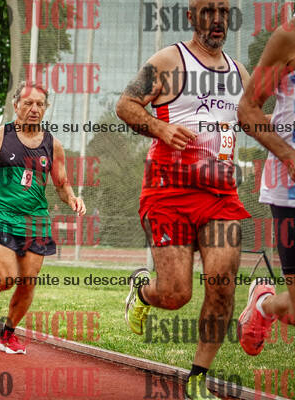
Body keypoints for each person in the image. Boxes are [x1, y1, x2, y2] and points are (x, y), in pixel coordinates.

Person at [115, 1, 251, 398]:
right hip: (168, 191)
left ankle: (197, 377)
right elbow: (125, 105)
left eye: (223, 12)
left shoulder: (240, 73)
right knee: (176, 294)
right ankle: (143, 291)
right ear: (191, 17)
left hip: (220, 195)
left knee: (223, 286)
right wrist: (160, 128)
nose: (217, 20)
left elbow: (256, 120)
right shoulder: (169, 61)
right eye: (208, 11)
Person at [0, 81, 86, 355]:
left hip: (36, 219)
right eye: (28, 103)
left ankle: (8, 334)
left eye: (40, 104)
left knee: (28, 280)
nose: (34, 109)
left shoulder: (53, 145)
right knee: (7, 277)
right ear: (15, 104)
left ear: (46, 108)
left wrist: (72, 198)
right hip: (3, 214)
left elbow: (61, 183)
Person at [236, 21, 295, 355]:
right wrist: (289, 155)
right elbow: (247, 109)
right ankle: (264, 305)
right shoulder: (289, 37)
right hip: (290, 190)